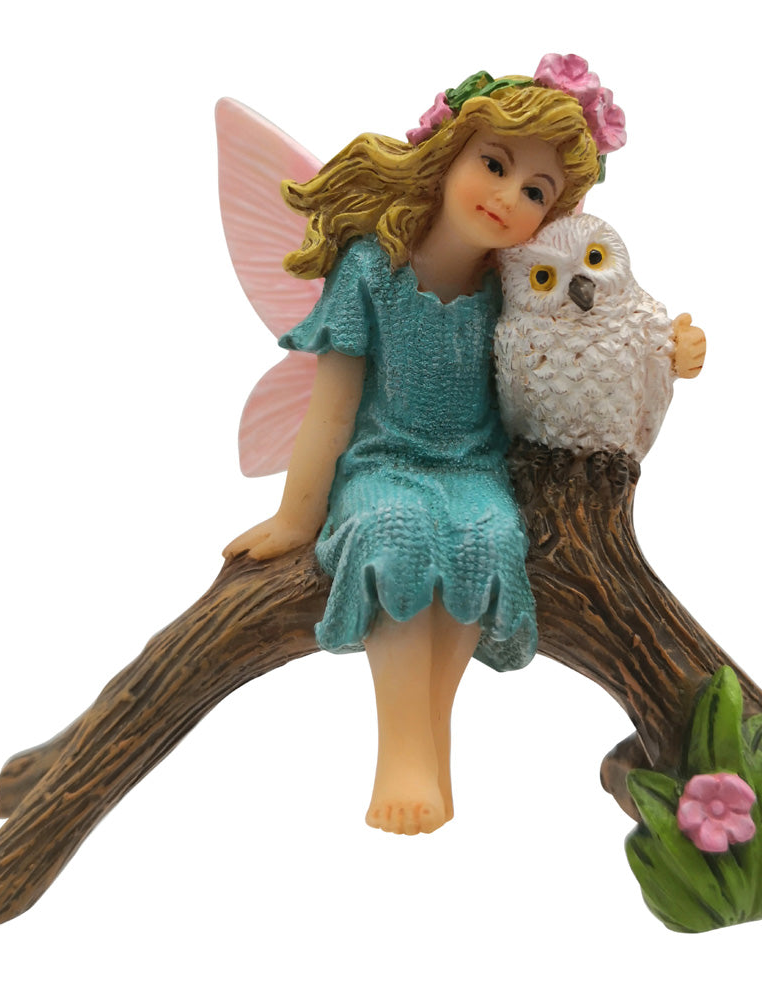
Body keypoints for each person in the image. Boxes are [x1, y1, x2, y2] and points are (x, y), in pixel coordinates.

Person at [225, 57, 622, 835]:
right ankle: (404, 752)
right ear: (448, 155)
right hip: (383, 462)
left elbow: (585, 346)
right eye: (495, 165)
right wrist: (295, 521)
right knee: (396, 535)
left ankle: (430, 741)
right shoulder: (370, 270)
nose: (507, 197)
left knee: (487, 538)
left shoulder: (515, 287)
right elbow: (331, 413)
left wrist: (665, 352)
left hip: (473, 465)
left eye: (535, 192)